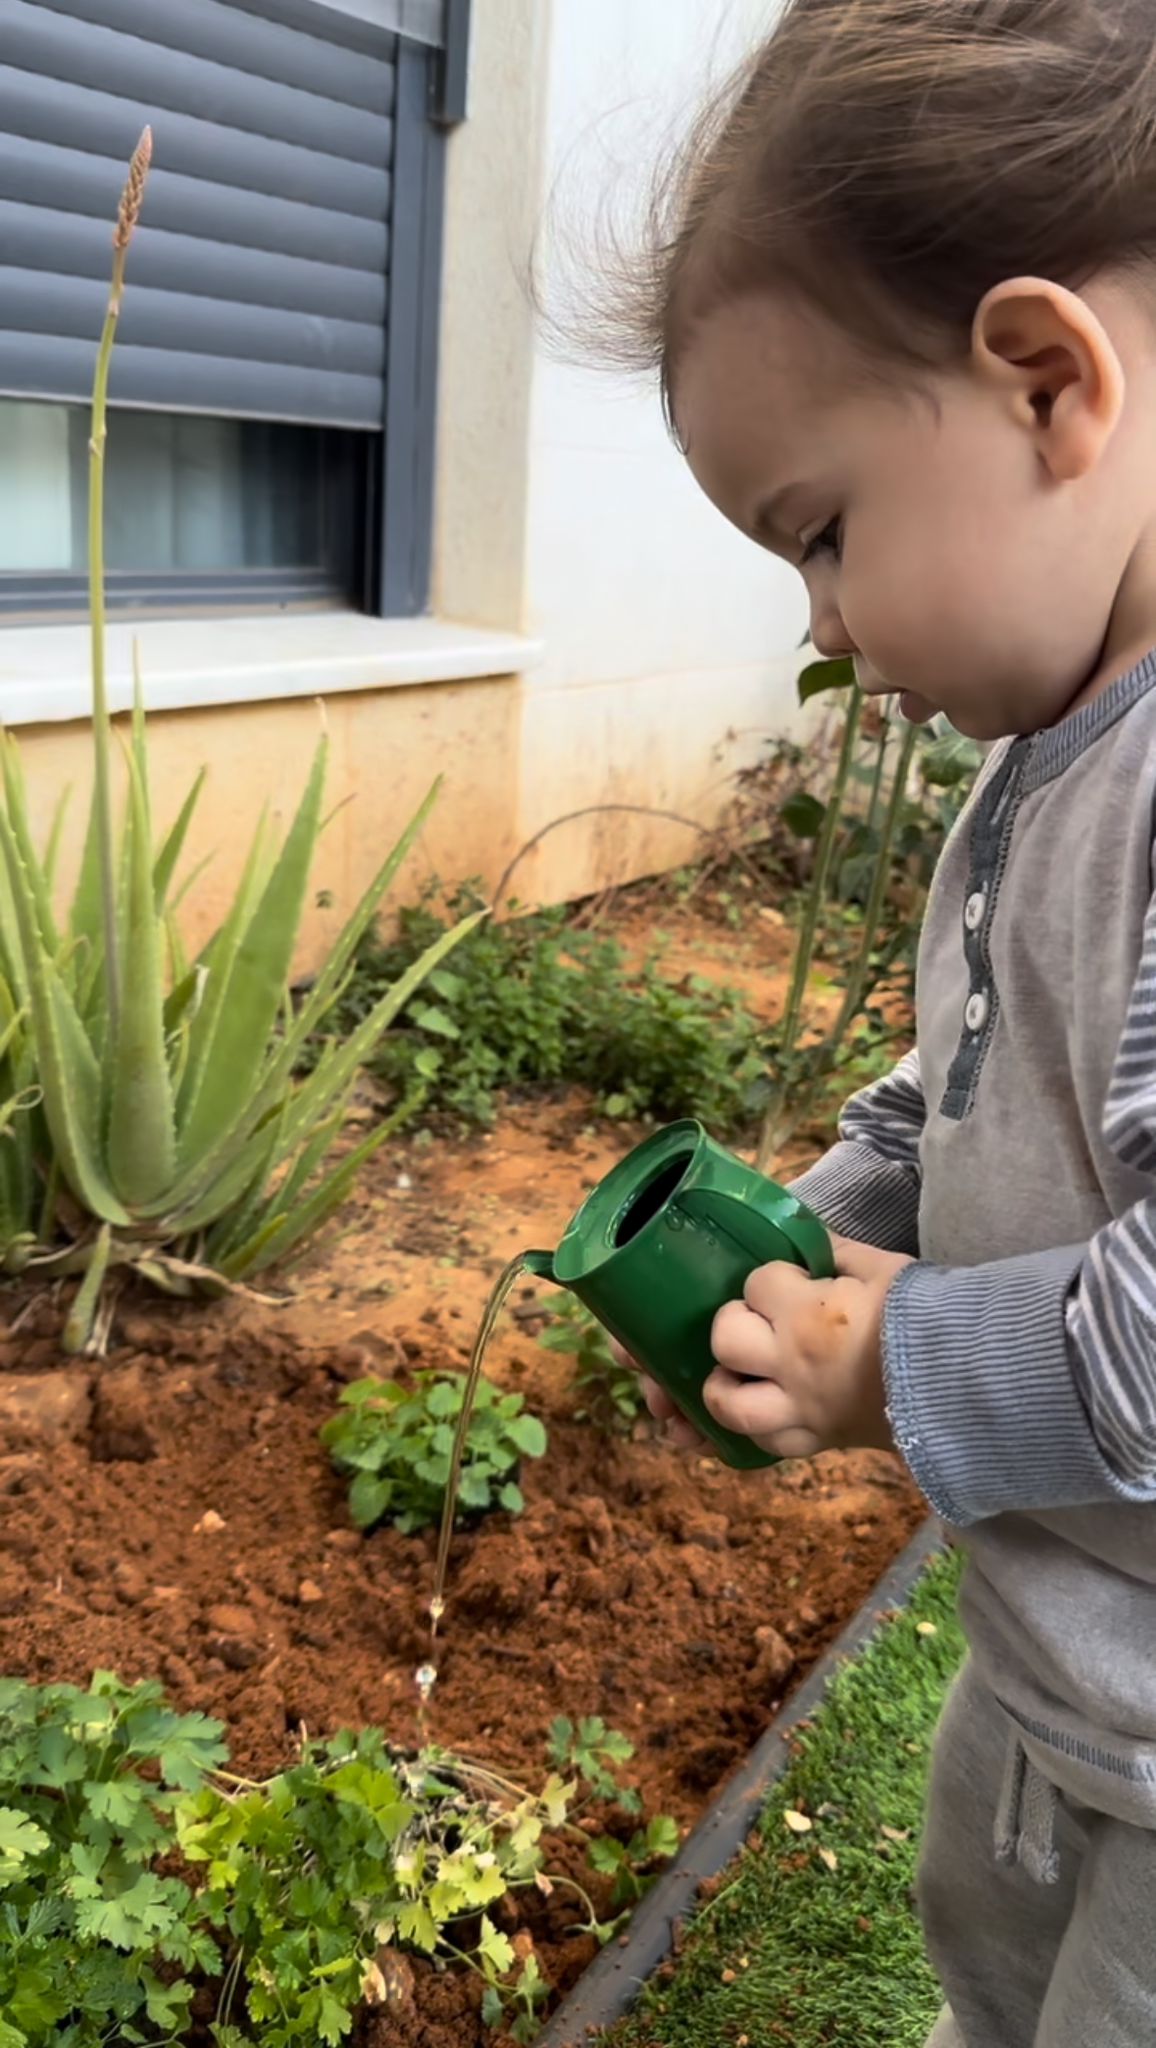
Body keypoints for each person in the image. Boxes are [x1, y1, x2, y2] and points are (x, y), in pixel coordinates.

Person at [597, 2, 1156, 2043]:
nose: (817, 623)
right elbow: (973, 1078)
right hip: (1047, 1672)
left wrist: (887, 1358)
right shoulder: (1038, 767)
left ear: (1040, 379)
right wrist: (798, 1244)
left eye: (818, 527)